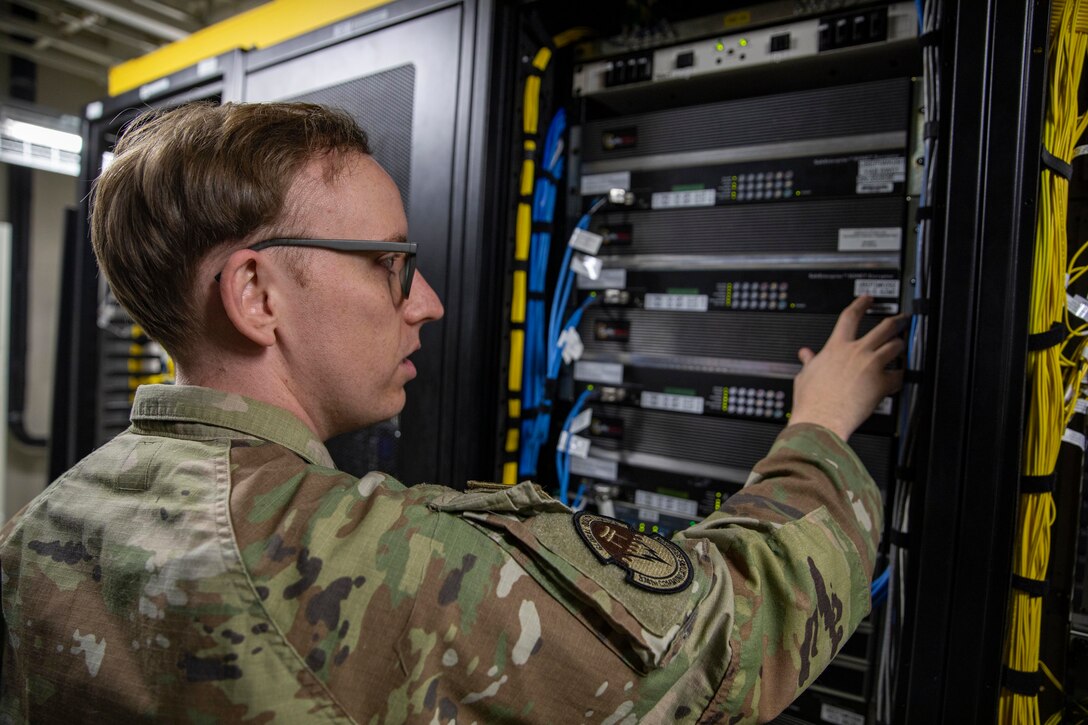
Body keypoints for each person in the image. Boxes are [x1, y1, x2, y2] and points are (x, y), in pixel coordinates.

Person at [0, 102, 903, 723]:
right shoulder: (380, 563)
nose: (426, 301)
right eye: (390, 264)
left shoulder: (39, 530)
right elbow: (741, 636)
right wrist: (820, 428)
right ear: (257, 295)